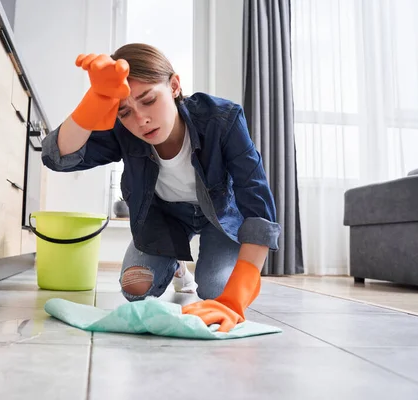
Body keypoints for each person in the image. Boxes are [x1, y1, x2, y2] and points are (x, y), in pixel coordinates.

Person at [41, 43, 280, 332]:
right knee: (136, 289)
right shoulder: (124, 132)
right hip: (164, 217)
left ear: (175, 86)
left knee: (218, 290)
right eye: (125, 111)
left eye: (148, 100)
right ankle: (176, 263)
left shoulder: (223, 119)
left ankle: (195, 271)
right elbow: (58, 157)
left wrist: (234, 298)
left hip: (220, 219)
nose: (140, 119)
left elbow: (258, 208)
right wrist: (94, 101)